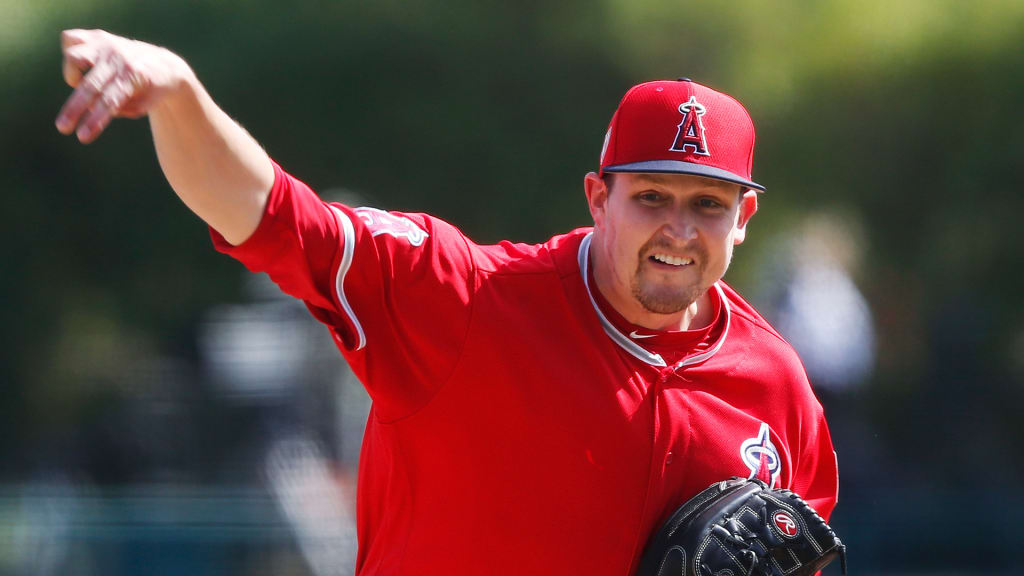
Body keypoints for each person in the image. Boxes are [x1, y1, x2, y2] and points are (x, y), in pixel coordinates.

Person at [56, 29, 838, 575]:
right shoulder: (466, 300)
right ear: (599, 197)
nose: (678, 228)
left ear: (744, 218)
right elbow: (274, 217)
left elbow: (802, 548)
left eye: (707, 205)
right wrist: (179, 96)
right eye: (653, 196)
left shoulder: (775, 385)